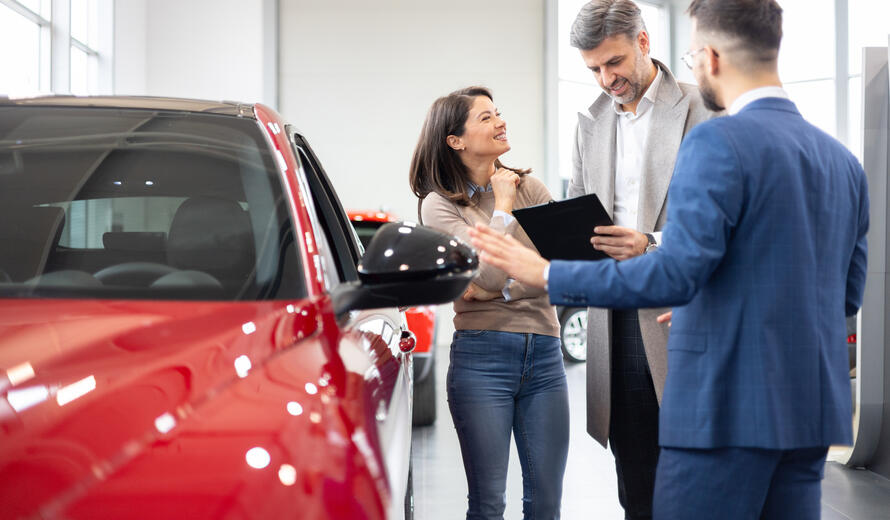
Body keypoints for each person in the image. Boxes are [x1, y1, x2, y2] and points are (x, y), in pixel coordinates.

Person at [467, 0, 869, 518]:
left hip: (721, 401)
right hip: (810, 406)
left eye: (695, 51)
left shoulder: (717, 136)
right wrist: (719, 293)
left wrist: (545, 273)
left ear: (712, 57)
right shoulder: (844, 162)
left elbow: (678, 269)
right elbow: (845, 293)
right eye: (593, 69)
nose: (605, 78)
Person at [565, 1, 712, 517]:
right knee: (636, 475)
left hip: (684, 312)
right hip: (616, 316)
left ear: (644, 42)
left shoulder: (701, 108)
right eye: (594, 69)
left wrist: (649, 242)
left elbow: (728, 223)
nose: (607, 79)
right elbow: (582, 207)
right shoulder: (590, 124)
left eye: (614, 62)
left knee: (696, 471)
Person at [409, 86, 569, 520]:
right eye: (486, 117)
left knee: (547, 504)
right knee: (487, 503)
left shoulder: (532, 188)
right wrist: (502, 206)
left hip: (545, 354)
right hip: (482, 358)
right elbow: (491, 273)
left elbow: (564, 272)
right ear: (455, 140)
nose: (500, 121)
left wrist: (502, 289)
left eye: (498, 113)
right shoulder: (440, 207)